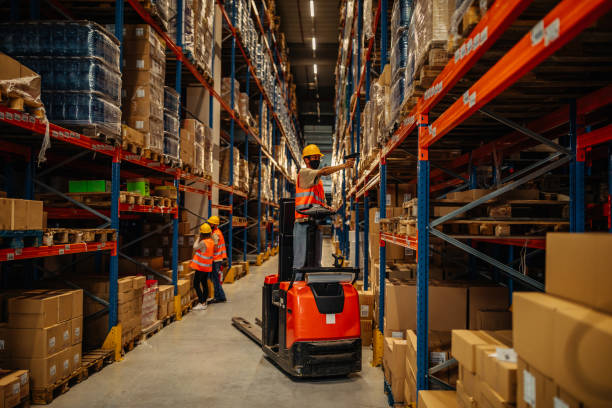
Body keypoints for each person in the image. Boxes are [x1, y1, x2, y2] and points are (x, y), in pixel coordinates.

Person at [293, 144, 354, 270]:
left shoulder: (319, 182)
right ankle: (297, 284)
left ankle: (313, 283)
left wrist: (328, 208)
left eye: (318, 158)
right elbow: (324, 171)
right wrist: (344, 165)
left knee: (316, 261)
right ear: (306, 160)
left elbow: (321, 202)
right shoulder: (304, 173)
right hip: (302, 222)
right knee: (300, 262)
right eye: (314, 157)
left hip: (315, 223)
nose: (317, 160)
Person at [191, 223, 215, 310]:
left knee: (196, 284)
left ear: (202, 233)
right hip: (207, 267)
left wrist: (197, 238)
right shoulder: (211, 242)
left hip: (201, 268)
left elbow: (195, 247)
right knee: (204, 284)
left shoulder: (203, 242)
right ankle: (204, 302)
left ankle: (201, 302)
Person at [207, 215, 228, 303]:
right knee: (215, 278)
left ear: (214, 225)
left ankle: (219, 297)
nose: (209, 224)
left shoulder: (215, 234)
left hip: (215, 259)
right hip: (217, 259)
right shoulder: (217, 231)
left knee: (215, 279)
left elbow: (215, 248)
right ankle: (221, 296)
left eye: (210, 223)